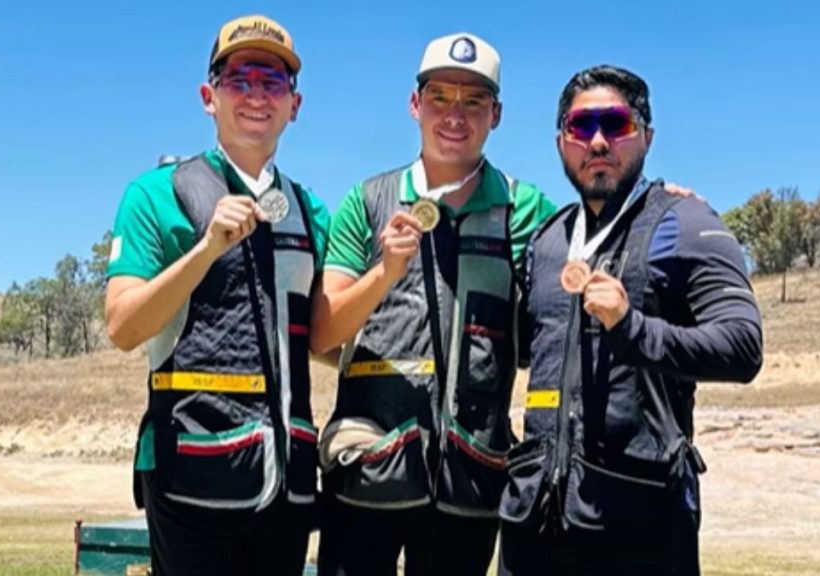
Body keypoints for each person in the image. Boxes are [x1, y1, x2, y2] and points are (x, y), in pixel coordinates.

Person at [498, 65, 763, 576]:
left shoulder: (684, 222)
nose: (597, 141)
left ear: (646, 135)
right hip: (533, 525)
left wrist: (632, 327)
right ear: (560, 141)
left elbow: (743, 346)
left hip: (638, 526)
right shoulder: (546, 242)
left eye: (615, 124)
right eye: (580, 126)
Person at [309, 32, 558, 575]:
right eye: (440, 97)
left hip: (470, 477)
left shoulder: (527, 209)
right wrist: (384, 272)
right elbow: (324, 331)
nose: (455, 115)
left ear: (497, 114)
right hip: (368, 471)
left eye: (473, 102)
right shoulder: (367, 201)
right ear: (414, 105)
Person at [103, 14, 329, 576]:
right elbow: (124, 328)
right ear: (210, 96)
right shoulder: (157, 195)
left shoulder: (311, 211)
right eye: (240, 79)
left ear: (294, 105)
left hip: (287, 484)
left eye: (273, 82)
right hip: (191, 476)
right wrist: (206, 249)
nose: (257, 95)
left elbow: (325, 339)